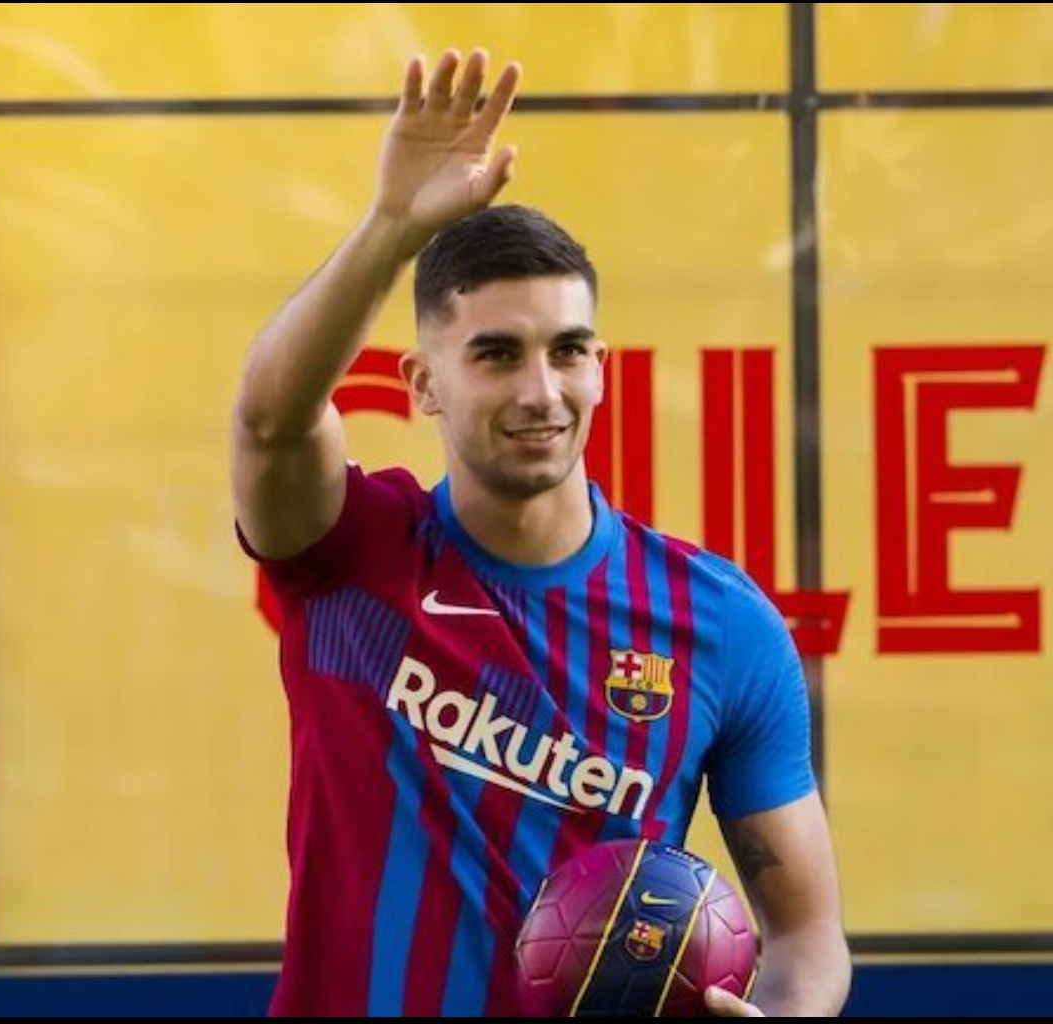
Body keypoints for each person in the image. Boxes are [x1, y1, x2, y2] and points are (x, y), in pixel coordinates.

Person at [232, 48, 851, 1017]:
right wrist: (392, 228)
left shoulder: (721, 623)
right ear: (422, 383)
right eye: (496, 354)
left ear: (601, 367)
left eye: (568, 351)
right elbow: (272, 421)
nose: (541, 391)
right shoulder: (347, 553)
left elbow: (807, 936)